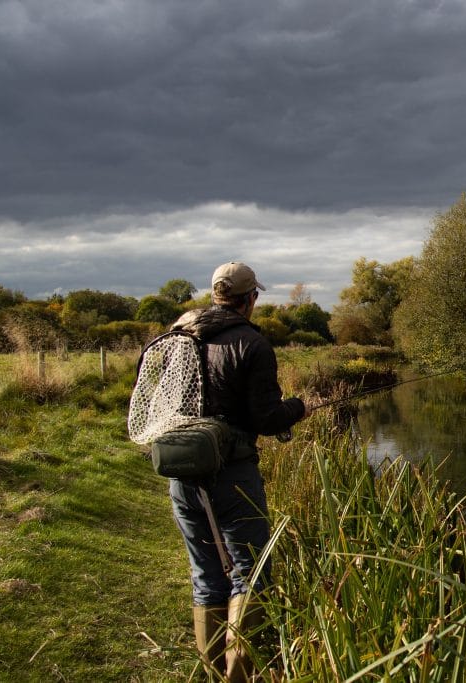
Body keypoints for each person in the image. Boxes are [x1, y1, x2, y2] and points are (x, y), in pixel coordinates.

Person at [167, 262, 312, 680]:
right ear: (251, 299)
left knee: (205, 578)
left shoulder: (180, 336)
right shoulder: (252, 343)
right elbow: (267, 418)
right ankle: (238, 674)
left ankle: (216, 673)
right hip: (233, 475)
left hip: (183, 474)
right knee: (249, 574)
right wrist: (297, 407)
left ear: (216, 295)